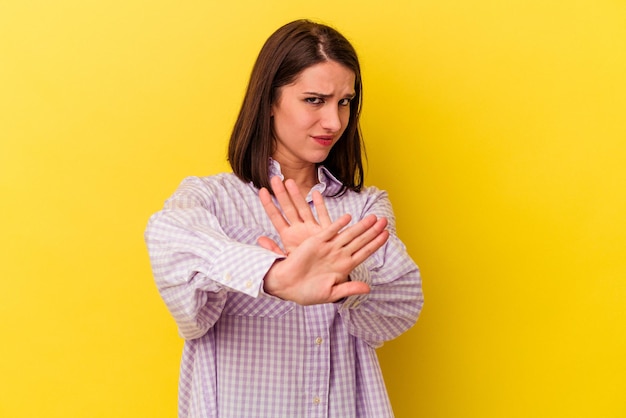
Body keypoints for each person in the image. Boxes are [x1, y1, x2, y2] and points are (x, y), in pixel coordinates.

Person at [145, 19, 423, 418]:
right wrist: (274, 275)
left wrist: (340, 274)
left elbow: (396, 311)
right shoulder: (212, 200)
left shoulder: (364, 208)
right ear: (270, 101)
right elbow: (172, 249)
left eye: (344, 102)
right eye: (314, 100)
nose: (334, 122)